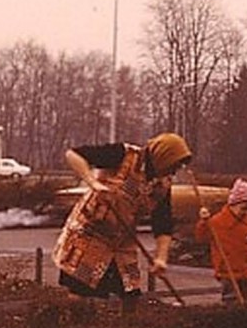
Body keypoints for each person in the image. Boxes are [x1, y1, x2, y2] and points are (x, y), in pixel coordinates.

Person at [52, 132, 192, 313]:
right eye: (172, 166)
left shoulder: (162, 184)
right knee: (80, 291)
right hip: (89, 235)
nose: (173, 172)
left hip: (122, 243)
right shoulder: (124, 155)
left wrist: (161, 257)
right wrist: (92, 182)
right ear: (162, 157)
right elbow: (73, 155)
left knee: (130, 292)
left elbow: (162, 221)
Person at [194, 178, 247, 304]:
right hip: (227, 271)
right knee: (231, 300)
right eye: (244, 208)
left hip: (244, 270)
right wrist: (204, 222)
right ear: (232, 205)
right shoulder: (217, 222)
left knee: (245, 301)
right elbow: (201, 237)